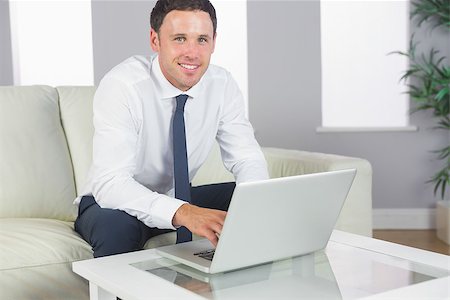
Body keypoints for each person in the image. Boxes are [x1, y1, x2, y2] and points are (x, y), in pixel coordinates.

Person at [74, 0, 269, 258]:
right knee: (116, 231)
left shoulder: (222, 85)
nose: (192, 53)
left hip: (178, 196)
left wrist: (254, 204)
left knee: (261, 198)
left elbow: (247, 158)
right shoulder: (123, 85)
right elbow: (111, 183)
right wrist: (183, 212)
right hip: (112, 203)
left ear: (214, 41)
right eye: (179, 38)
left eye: (202, 39)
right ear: (155, 40)